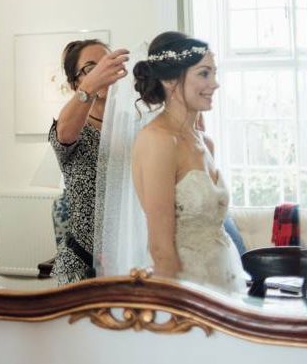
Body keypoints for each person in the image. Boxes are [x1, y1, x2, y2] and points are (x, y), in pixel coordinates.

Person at [131, 31, 247, 294]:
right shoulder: (157, 141)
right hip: (189, 287)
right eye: (204, 73)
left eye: (214, 73)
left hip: (226, 275)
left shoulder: (206, 143)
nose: (215, 83)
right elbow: (160, 247)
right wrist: (177, 311)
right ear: (171, 80)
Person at [48, 39, 128, 284]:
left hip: (126, 259)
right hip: (81, 264)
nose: (103, 72)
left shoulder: (130, 124)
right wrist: (92, 86)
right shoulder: (69, 129)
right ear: (75, 84)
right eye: (90, 68)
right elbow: (65, 134)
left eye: (107, 65)